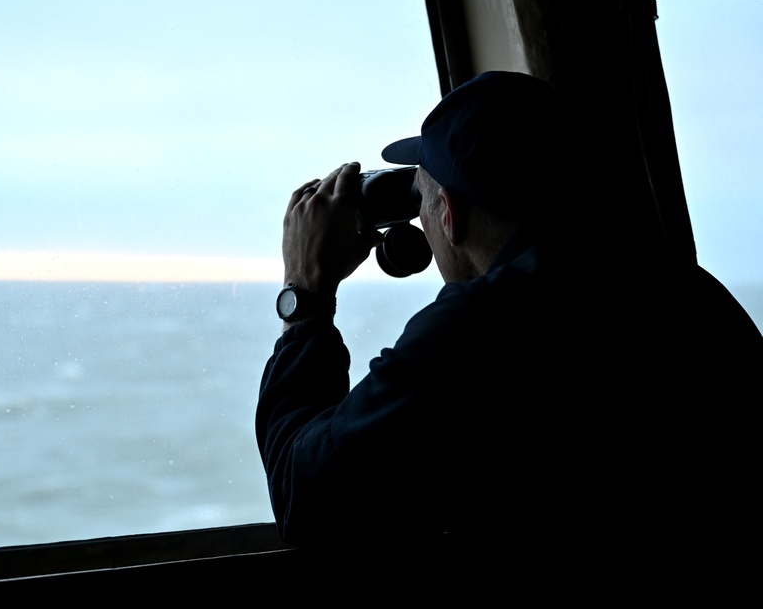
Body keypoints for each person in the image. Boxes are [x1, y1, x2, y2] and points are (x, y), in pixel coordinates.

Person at [256, 71, 761, 600]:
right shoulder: (686, 288)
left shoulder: (481, 328)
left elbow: (305, 497)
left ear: (447, 215)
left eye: (422, 199)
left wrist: (306, 296)